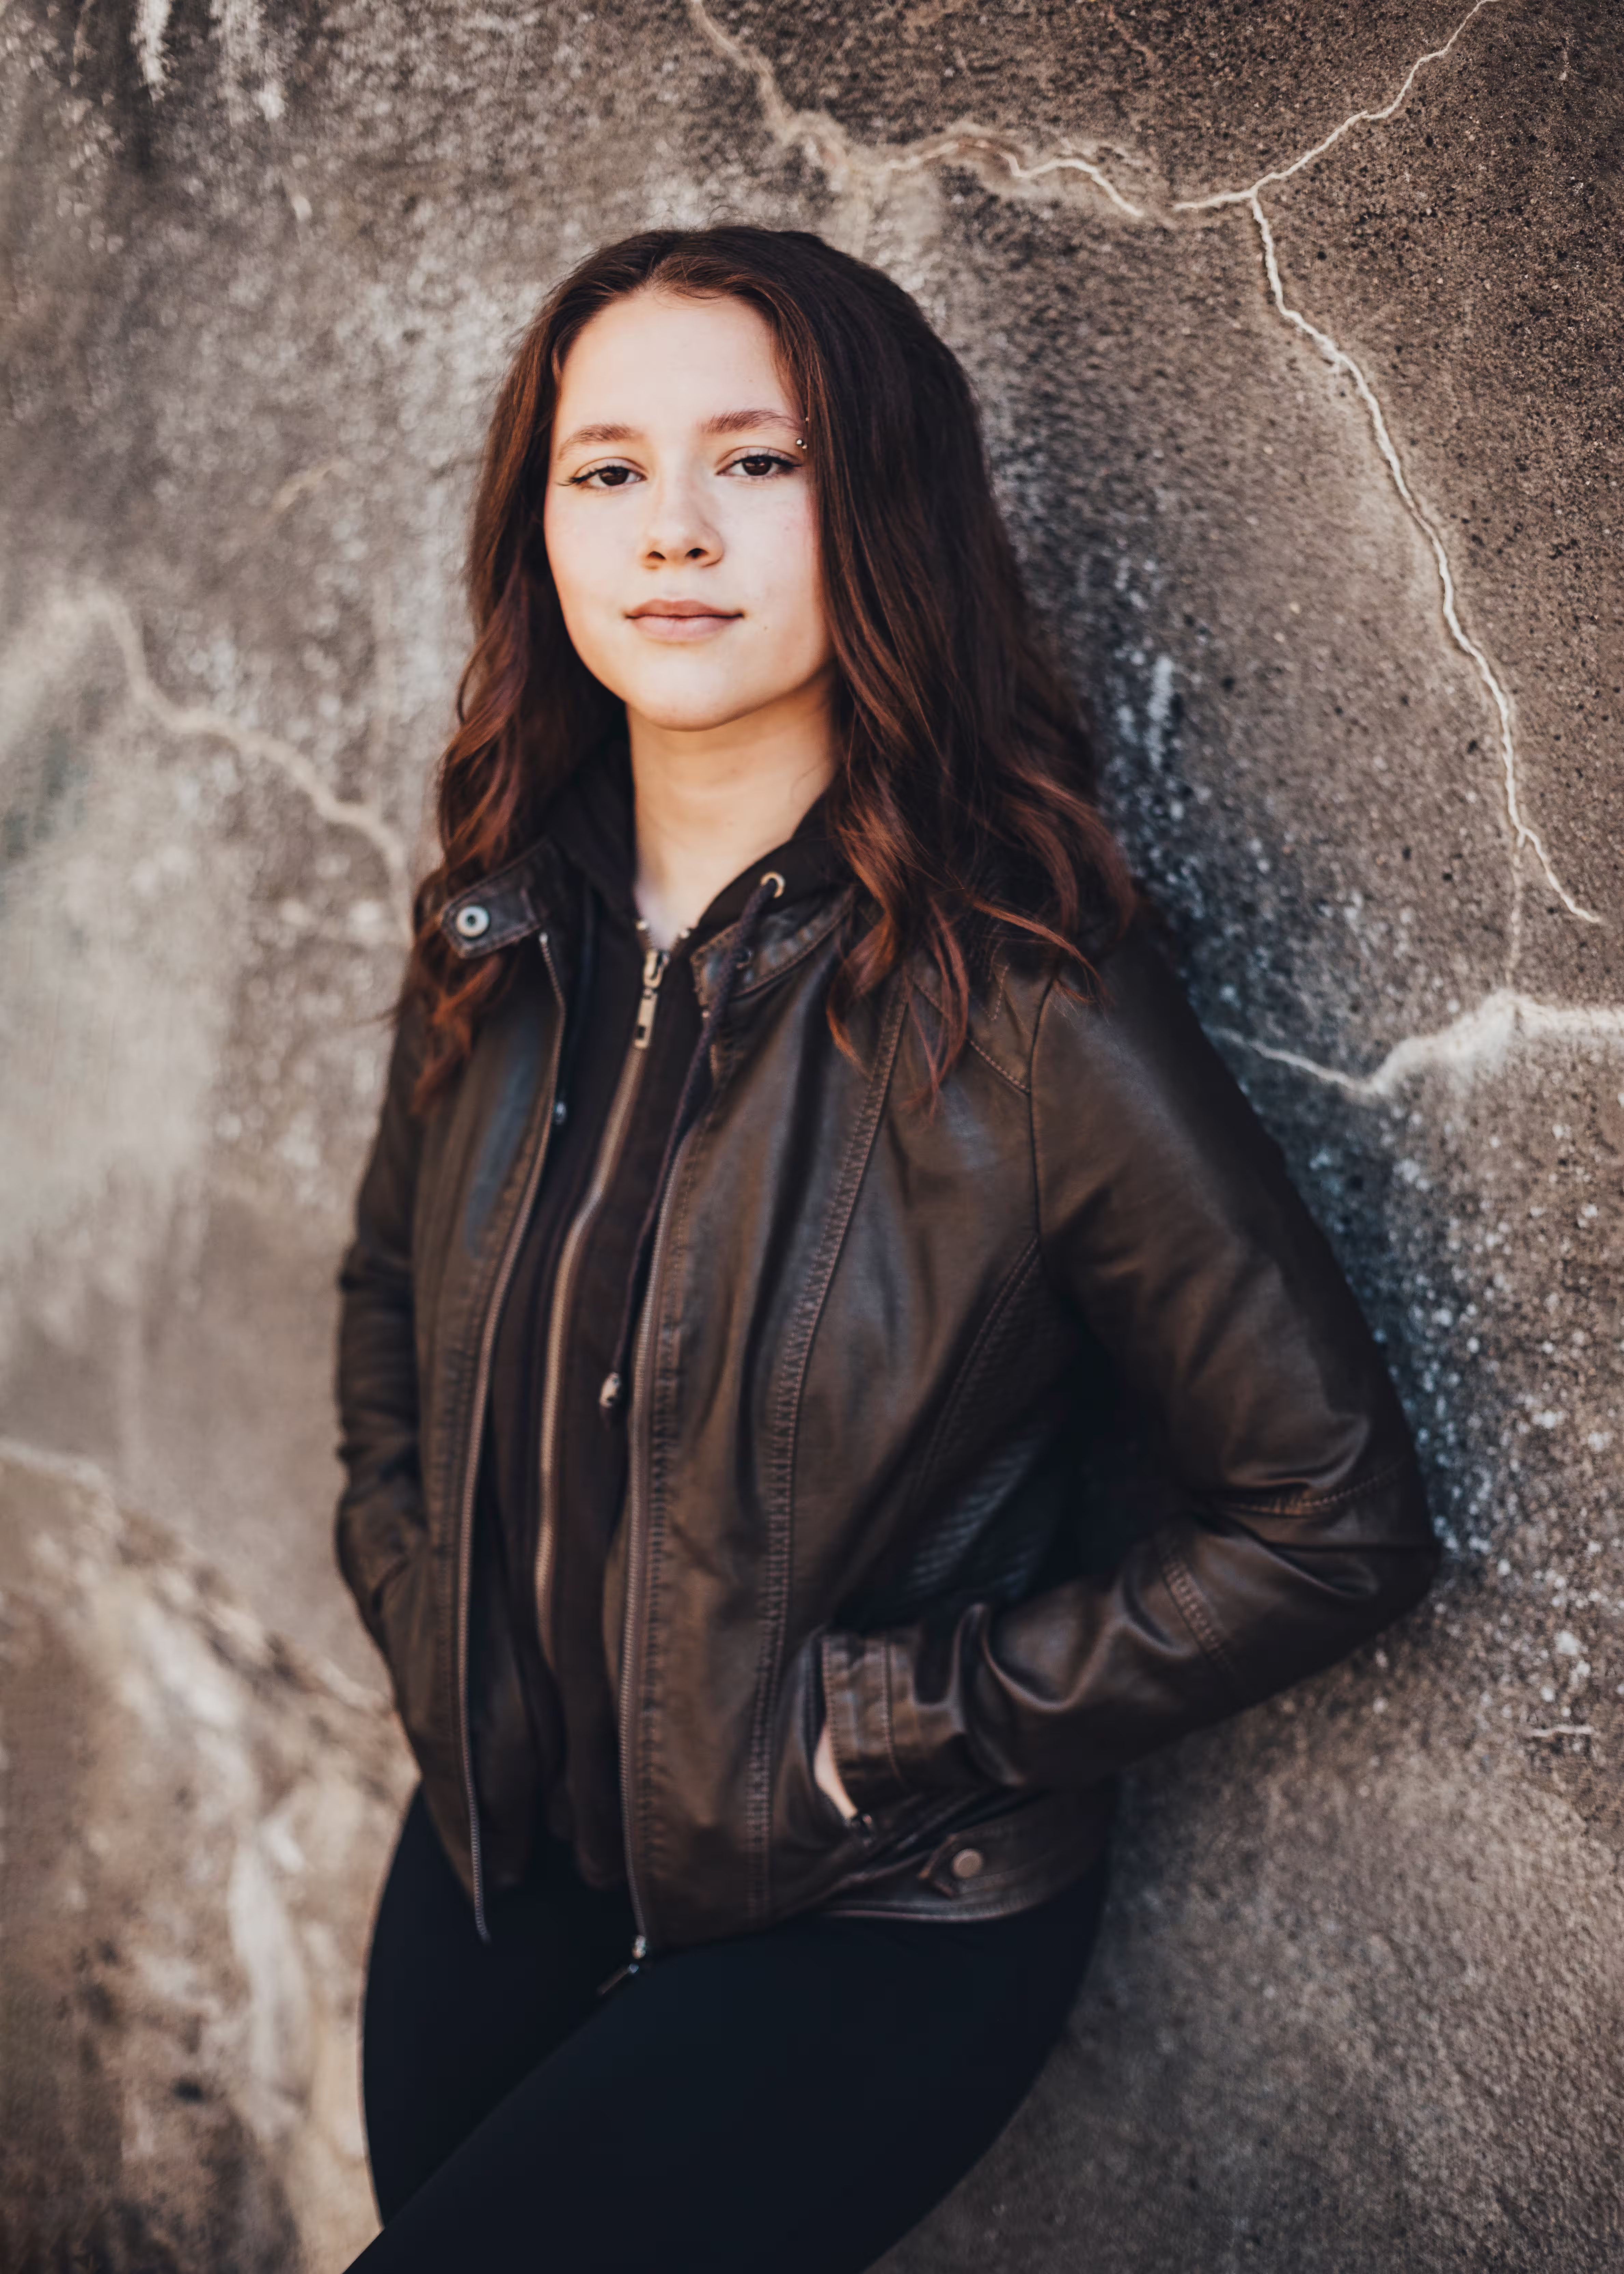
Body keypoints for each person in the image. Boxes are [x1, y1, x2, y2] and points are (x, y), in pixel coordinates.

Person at [333, 224, 1438, 2273]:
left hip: (875, 1903)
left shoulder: (1026, 999)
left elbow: (1332, 1513)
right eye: (606, 471)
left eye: (760, 463)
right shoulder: (503, 919)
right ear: (539, 526)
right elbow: (388, 1302)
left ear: (886, 513)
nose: (674, 530)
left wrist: (895, 1725)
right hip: (505, 1826)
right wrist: (427, 1608)